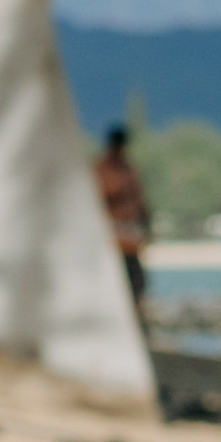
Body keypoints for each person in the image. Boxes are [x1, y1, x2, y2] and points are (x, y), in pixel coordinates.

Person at [93, 123, 152, 311]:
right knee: (117, 282)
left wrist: (146, 227)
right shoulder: (103, 171)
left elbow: (140, 203)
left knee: (135, 282)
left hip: (128, 238)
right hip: (112, 238)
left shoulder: (127, 170)